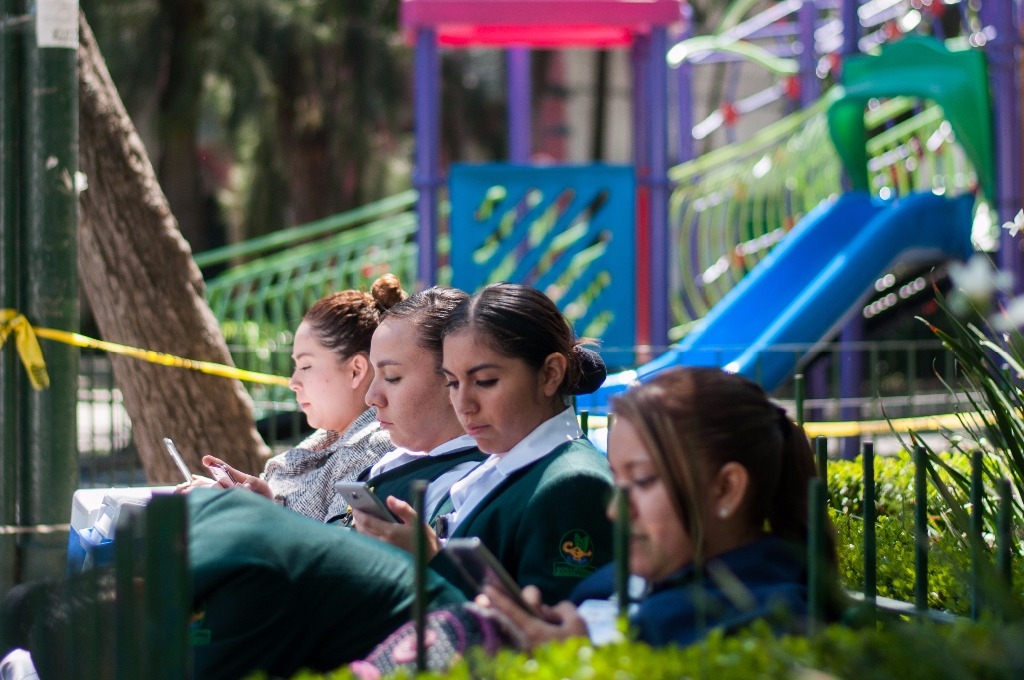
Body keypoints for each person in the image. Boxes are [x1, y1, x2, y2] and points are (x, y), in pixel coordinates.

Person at [479, 366, 839, 651]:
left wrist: (575, 654)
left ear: (726, 489)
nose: (616, 512)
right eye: (618, 481)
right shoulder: (611, 581)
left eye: (643, 481)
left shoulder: (772, 624)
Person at [353, 282, 614, 606]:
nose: (463, 404)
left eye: (485, 381)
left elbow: (554, 629)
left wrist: (430, 561)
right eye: (453, 383)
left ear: (550, 374)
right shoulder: (499, 465)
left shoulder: (571, 483)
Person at [178, 274, 404, 523]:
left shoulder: (374, 449)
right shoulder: (324, 443)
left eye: (305, 366)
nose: (293, 382)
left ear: (356, 371)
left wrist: (252, 512)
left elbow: (335, 544)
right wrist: (253, 500)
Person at [329, 286, 488, 525]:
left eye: (392, 377)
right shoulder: (399, 459)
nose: (371, 397)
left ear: (454, 379)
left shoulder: (467, 483)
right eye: (375, 375)